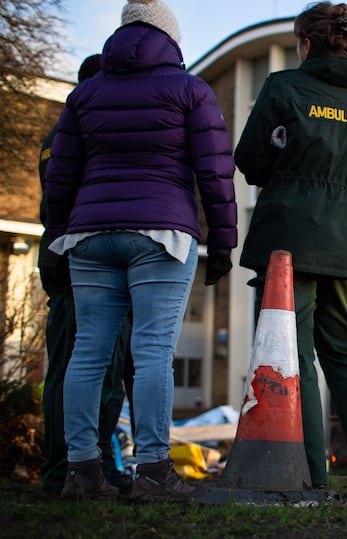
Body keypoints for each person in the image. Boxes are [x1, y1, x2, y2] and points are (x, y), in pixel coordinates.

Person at [45, 0, 237, 500]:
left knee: (87, 353)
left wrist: (58, 235)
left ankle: (81, 471)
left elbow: (60, 176)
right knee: (152, 352)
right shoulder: (190, 90)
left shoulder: (83, 95)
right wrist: (221, 242)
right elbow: (215, 174)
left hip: (89, 233)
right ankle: (152, 470)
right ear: (170, 40)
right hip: (161, 232)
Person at [234, 1, 347, 497]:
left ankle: (311, 476)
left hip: (289, 246)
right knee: (346, 356)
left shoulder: (284, 87)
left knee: (294, 356)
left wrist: (281, 157)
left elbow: (249, 160)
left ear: (305, 43)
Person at [38, 54, 135, 496]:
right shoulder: (82, 133)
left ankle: (78, 468)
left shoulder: (62, 134)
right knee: (90, 368)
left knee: (82, 370)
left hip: (73, 261)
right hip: (85, 263)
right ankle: (75, 468)